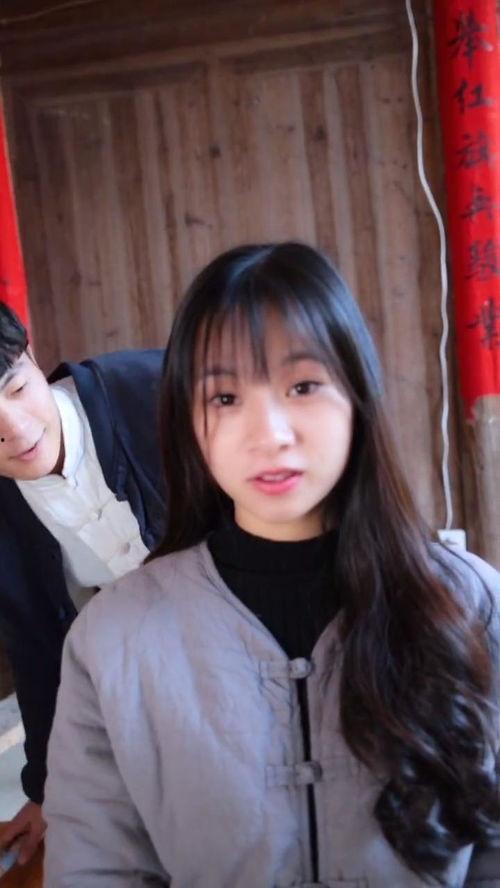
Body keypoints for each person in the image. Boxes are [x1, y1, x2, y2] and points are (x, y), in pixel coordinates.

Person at [44, 242, 500, 887]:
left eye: (303, 386)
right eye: (225, 398)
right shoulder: (113, 638)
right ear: (188, 422)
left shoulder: (472, 604)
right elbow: (94, 868)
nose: (269, 434)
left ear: (357, 396)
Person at [0, 302, 165, 865]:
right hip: (161, 689)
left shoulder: (157, 390)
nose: (16, 430)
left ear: (30, 355)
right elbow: (37, 643)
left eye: (17, 388)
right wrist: (47, 790)